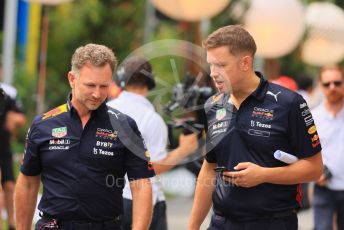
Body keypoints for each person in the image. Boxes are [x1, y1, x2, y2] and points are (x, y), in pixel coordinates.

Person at [188, 25, 323, 230]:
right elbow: (209, 168)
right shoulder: (212, 105)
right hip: (222, 222)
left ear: (245, 62)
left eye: (221, 65)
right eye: (211, 65)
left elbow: (314, 169)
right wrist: (192, 226)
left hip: (273, 222)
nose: (214, 73)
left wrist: (264, 175)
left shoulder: (289, 104)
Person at [14, 44, 155, 230]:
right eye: (90, 85)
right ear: (72, 79)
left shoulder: (125, 126)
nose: (97, 94)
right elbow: (28, 184)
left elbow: (141, 185)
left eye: (104, 86)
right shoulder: (43, 125)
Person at [107, 56, 198, 230]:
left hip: (108, 199)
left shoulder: (107, 110)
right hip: (141, 202)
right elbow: (152, 168)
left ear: (121, 79)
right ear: (151, 81)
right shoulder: (152, 119)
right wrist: (184, 150)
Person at [312, 65, 344, 230]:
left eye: (337, 83)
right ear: (320, 86)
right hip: (324, 186)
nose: (332, 87)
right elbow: (305, 152)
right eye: (327, 84)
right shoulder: (313, 117)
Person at [0, 82, 26, 230]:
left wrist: (13, 119)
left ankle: (11, 225)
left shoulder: (8, 92)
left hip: (4, 146)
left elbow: (21, 117)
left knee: (9, 185)